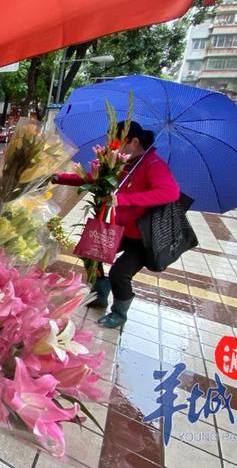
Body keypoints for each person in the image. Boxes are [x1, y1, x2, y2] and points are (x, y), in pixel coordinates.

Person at [53, 121, 179, 328]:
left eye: (117, 142)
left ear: (134, 141)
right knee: (90, 252)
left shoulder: (154, 165)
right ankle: (100, 295)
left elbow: (170, 192)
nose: (114, 148)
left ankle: (119, 314)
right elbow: (95, 180)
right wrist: (58, 178)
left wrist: (125, 200)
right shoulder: (123, 164)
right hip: (120, 229)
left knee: (120, 274)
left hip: (142, 237)